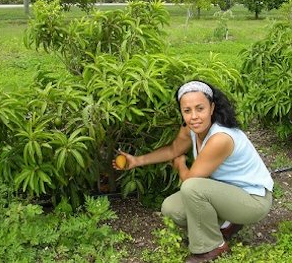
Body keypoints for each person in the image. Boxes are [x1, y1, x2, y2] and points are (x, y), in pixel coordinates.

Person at [113, 80, 273, 263]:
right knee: (171, 208)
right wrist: (137, 161)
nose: (194, 116)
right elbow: (174, 150)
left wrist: (181, 164)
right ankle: (227, 224)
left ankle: (212, 247)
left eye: (200, 108)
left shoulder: (220, 138)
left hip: (254, 201)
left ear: (212, 108)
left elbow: (189, 180)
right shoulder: (190, 129)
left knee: (192, 188)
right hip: (227, 193)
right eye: (187, 111)